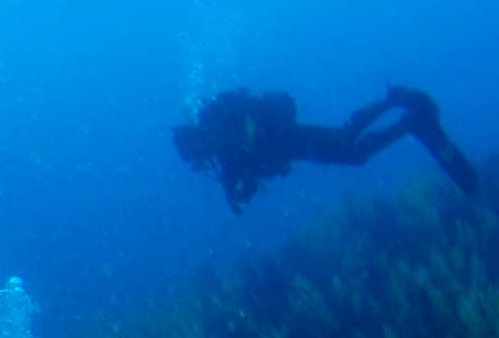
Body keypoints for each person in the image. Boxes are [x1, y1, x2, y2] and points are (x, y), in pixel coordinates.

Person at [173, 86, 481, 211]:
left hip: (290, 139)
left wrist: (248, 152)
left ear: (194, 140)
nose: (196, 160)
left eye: (193, 154)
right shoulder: (218, 148)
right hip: (292, 147)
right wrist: (236, 193)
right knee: (350, 146)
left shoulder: (218, 123)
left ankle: (401, 112)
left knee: (350, 145)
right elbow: (241, 170)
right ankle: (401, 113)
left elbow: (249, 133)